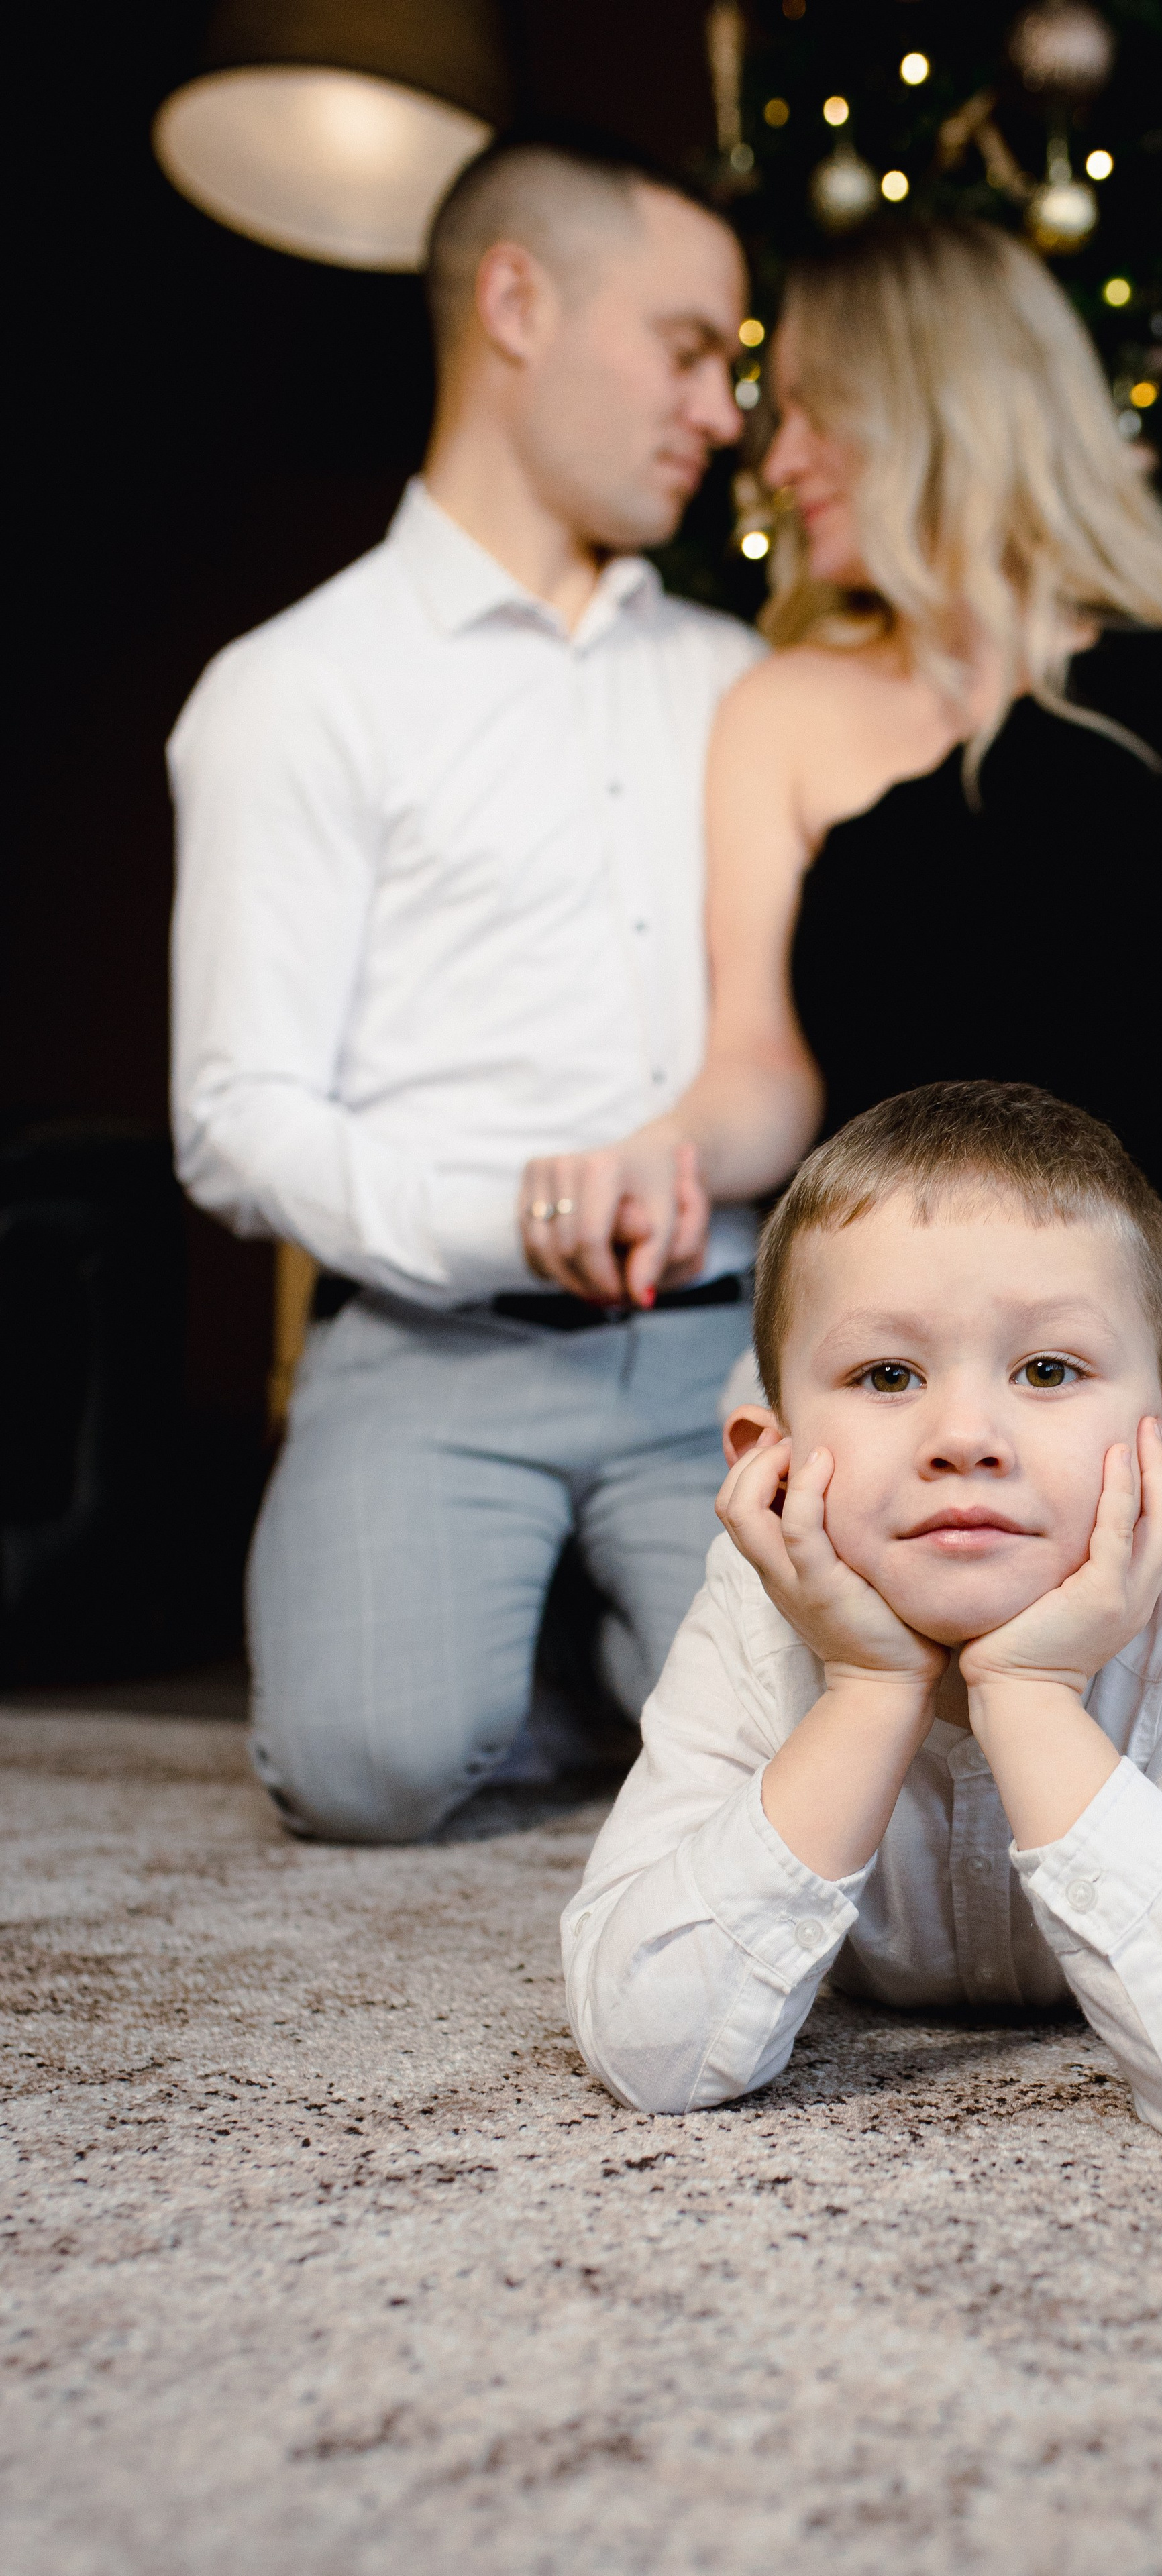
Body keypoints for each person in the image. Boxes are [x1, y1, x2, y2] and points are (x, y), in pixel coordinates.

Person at [555, 217, 1162, 1833]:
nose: (772, 459)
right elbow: (763, 1069)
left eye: (813, 413)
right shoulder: (780, 712)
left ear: (937, 400)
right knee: (870, 1779)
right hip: (908, 1342)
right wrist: (661, 1146)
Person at [169, 131, 778, 1844]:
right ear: (516, 304)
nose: (722, 413)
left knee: (820, 1766)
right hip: (430, 1351)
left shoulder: (739, 677)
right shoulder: (296, 687)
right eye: (686, 351)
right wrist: (505, 1215)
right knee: (368, 1768)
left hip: (715, 1352)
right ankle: (534, 1634)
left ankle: (582, 1637)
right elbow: (235, 1119)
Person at [564, 1083, 1162, 2141]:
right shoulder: (751, 1612)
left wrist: (1032, 1695)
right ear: (773, 1463)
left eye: (1047, 1369)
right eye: (886, 1374)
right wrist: (866, 1689)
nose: (964, 1437)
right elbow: (651, 2051)